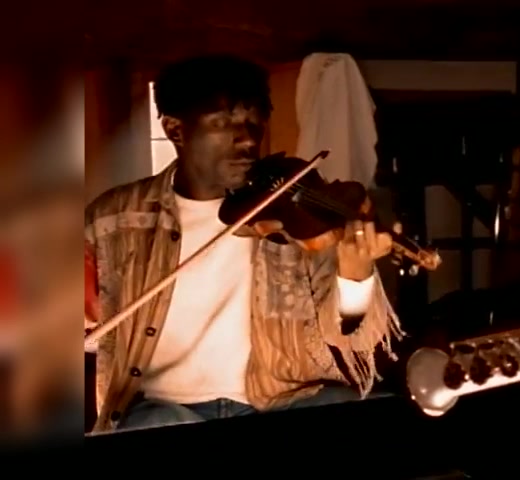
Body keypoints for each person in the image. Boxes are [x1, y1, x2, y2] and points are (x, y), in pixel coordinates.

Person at [84, 55, 403, 433]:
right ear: (175, 129)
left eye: (254, 121)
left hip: (282, 401)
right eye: (223, 123)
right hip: (167, 407)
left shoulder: (295, 213)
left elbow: (348, 337)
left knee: (378, 414)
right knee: (154, 424)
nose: (248, 138)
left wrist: (355, 277)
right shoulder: (114, 217)